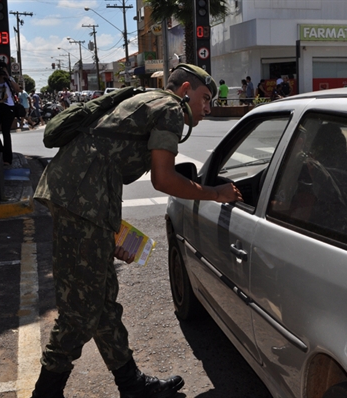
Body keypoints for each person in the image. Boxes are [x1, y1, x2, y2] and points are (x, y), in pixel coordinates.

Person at [30, 64, 243, 397]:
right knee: (79, 311)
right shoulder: (171, 107)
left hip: (82, 199)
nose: (208, 108)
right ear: (185, 89)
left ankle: (131, 385)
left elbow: (106, 160)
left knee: (102, 303)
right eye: (205, 98)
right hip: (81, 200)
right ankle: (45, 392)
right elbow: (164, 178)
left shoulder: (148, 99)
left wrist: (109, 230)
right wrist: (216, 193)